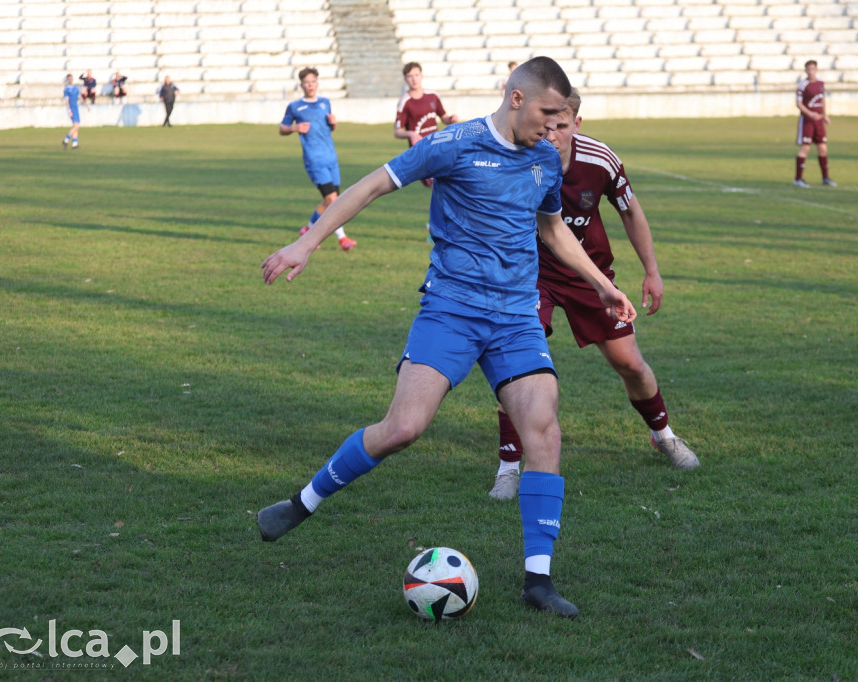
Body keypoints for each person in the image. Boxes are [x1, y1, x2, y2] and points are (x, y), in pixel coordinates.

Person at [257, 57, 637, 619]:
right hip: (452, 309)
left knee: (543, 429)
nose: (557, 128)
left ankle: (538, 581)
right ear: (516, 99)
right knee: (403, 428)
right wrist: (307, 243)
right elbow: (369, 186)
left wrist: (602, 284)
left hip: (514, 315)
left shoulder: (543, 160)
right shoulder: (453, 144)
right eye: (549, 114)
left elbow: (553, 229)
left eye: (564, 118)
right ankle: (301, 503)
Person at [486, 89, 700, 501]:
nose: (552, 135)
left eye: (561, 126)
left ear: (577, 124)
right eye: (546, 126)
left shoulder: (599, 159)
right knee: (521, 366)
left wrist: (652, 272)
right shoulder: (518, 157)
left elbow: (631, 212)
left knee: (631, 365)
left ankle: (664, 436)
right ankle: (509, 467)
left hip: (592, 276)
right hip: (532, 276)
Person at [280, 67, 356, 250]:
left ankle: (308, 229)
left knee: (330, 199)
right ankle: (342, 238)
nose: (310, 85)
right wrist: (294, 128)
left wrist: (334, 123)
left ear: (317, 83)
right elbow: (282, 128)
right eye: (307, 82)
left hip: (331, 157)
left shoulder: (325, 102)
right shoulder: (295, 106)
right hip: (314, 160)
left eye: (313, 82)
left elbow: (328, 129)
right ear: (302, 85)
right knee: (333, 201)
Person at [394, 62, 458, 189]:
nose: (414, 79)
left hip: (438, 147)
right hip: (420, 152)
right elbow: (397, 131)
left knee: (449, 184)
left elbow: (443, 117)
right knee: (437, 185)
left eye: (416, 75)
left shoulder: (433, 96)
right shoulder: (405, 102)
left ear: (422, 76)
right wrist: (411, 134)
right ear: (405, 79)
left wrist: (450, 119)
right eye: (410, 76)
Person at [793, 60, 837, 188]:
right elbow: (799, 103)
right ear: (806, 70)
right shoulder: (803, 85)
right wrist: (810, 114)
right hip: (807, 121)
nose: (811, 71)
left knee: (823, 148)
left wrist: (825, 115)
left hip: (819, 121)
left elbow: (822, 99)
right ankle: (798, 179)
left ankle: (825, 178)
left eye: (813, 68)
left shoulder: (820, 83)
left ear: (816, 69)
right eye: (809, 69)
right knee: (805, 148)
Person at [61, 74, 81, 149]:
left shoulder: (75, 88)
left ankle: (74, 144)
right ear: (67, 80)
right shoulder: (66, 89)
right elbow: (67, 101)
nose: (70, 80)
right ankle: (65, 140)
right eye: (69, 79)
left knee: (76, 127)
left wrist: (85, 104)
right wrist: (69, 110)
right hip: (72, 109)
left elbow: (79, 97)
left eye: (71, 78)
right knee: (76, 126)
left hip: (76, 109)